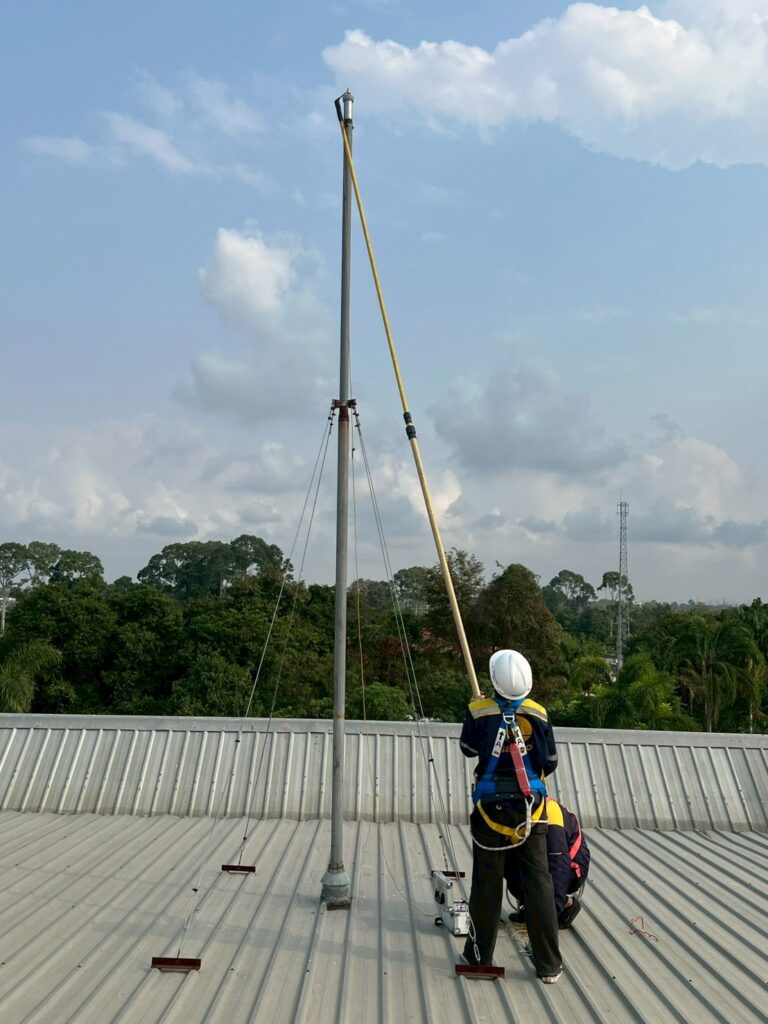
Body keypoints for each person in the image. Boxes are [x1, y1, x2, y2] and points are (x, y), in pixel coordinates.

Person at [458, 649, 562, 984]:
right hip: (532, 813)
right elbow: (550, 762)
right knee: (539, 884)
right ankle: (548, 965)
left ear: (494, 680)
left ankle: (478, 957)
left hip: (490, 811)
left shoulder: (479, 711)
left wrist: (478, 710)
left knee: (486, 885)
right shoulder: (539, 714)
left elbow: (468, 749)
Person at [506, 796, 590, 928]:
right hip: (545, 860)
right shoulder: (517, 809)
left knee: (544, 875)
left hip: (571, 868)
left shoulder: (551, 814)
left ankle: (566, 905)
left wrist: (551, 915)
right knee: (511, 862)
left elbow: (559, 867)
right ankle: (532, 907)